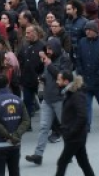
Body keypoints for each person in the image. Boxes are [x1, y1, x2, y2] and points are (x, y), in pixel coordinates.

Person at [25, 37, 71, 166]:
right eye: (47, 48)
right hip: (47, 98)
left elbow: (61, 77)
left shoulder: (64, 58)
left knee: (66, 127)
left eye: (51, 48)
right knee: (44, 127)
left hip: (59, 99)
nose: (48, 51)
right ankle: (38, 155)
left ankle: (71, 152)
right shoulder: (47, 59)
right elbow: (41, 71)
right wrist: (42, 73)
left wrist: (49, 64)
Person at [0, 73, 30, 176]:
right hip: (15, 145)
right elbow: (26, 121)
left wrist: (8, 136)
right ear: (8, 84)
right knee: (15, 172)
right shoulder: (18, 100)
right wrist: (16, 135)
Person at [54, 70, 95, 176]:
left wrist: (71, 132)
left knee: (62, 162)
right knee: (84, 163)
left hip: (75, 137)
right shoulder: (70, 93)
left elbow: (83, 116)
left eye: (59, 80)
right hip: (76, 136)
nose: (57, 82)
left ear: (66, 81)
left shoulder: (76, 95)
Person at [74, 22, 99, 131]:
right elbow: (79, 58)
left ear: (95, 31)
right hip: (86, 79)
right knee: (86, 104)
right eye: (86, 30)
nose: (87, 32)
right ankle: (86, 125)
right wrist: (80, 71)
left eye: (89, 30)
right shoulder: (82, 42)